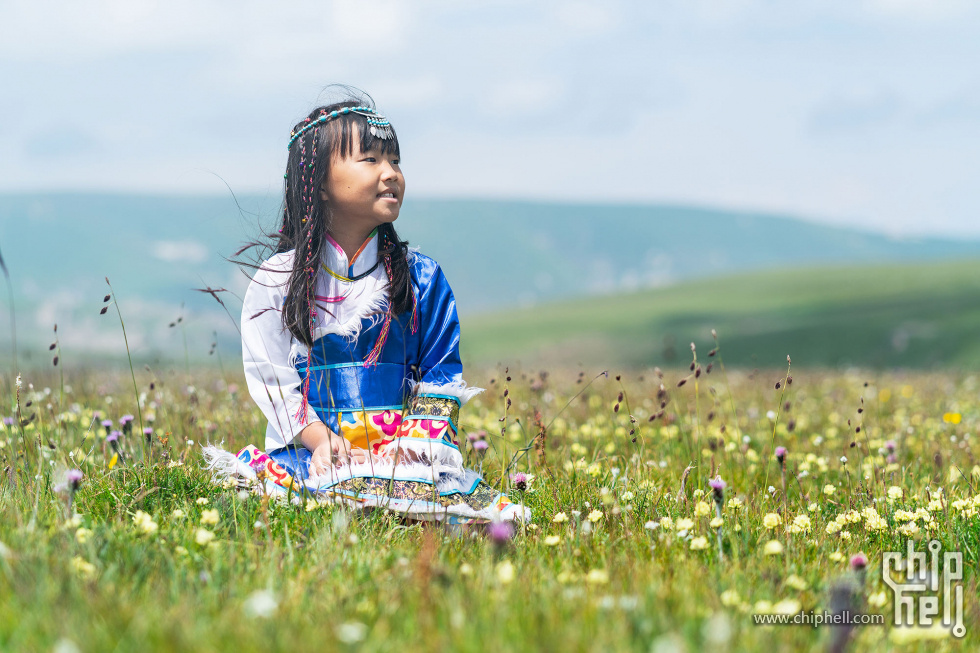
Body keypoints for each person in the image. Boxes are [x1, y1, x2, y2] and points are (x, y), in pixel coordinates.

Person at [207, 89, 526, 523]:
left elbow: (440, 377)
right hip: (314, 455)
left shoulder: (423, 280)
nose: (390, 173)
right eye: (371, 160)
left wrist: (410, 456)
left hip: (406, 460)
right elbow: (273, 379)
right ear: (318, 182)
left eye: (395, 160)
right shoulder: (278, 281)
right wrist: (320, 440)